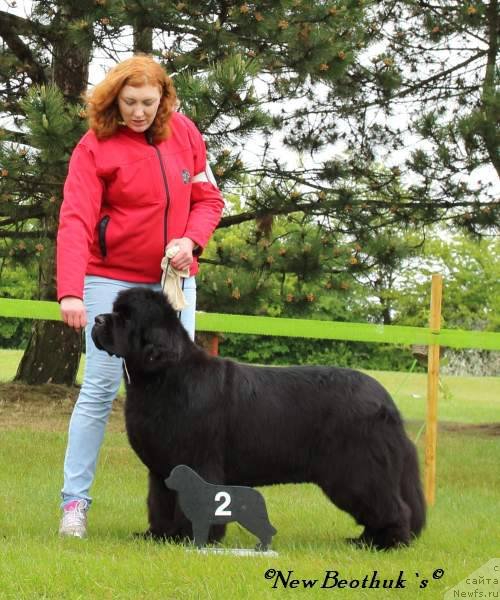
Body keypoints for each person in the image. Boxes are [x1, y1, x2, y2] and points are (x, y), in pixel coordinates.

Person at [56, 55, 224, 538]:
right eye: (129, 102)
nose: (138, 112)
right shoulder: (95, 147)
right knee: (100, 390)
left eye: (148, 102)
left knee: (186, 398)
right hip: (112, 282)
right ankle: (74, 505)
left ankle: (188, 514)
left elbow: (209, 199)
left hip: (173, 281)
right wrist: (71, 291)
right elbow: (76, 220)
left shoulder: (186, 134)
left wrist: (190, 241)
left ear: (164, 99)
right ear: (114, 100)